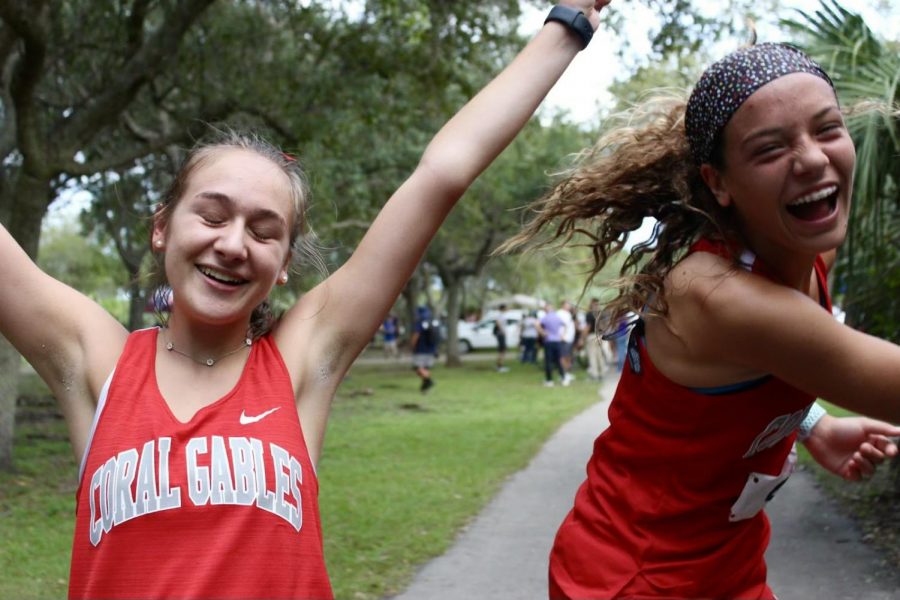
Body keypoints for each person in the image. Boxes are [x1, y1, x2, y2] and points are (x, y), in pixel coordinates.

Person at [0, 3, 612, 597]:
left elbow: (441, 174)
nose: (233, 245)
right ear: (163, 227)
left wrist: (571, 17)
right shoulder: (98, 363)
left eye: (264, 231)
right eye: (211, 215)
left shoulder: (299, 360)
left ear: (285, 265)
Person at [500, 42, 900, 599]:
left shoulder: (801, 249)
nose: (812, 159)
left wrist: (814, 426)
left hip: (728, 565)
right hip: (631, 578)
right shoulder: (714, 295)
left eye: (827, 129)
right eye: (769, 149)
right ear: (719, 182)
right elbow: (800, 346)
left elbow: (752, 372)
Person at [538, 301, 568, 387]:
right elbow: (565, 325)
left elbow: (536, 324)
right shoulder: (557, 317)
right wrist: (563, 335)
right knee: (559, 360)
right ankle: (563, 378)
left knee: (548, 361)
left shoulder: (545, 317)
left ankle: (549, 380)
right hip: (557, 341)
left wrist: (542, 332)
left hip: (549, 341)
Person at [410, 305, 440, 393]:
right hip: (432, 349)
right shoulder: (433, 321)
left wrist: (412, 345)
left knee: (417, 368)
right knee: (426, 368)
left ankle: (429, 381)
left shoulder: (420, 322)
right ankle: (425, 386)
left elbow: (416, 335)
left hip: (421, 349)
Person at [557, 300, 576, 384]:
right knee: (563, 357)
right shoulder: (559, 313)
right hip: (564, 339)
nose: (569, 306)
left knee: (568, 357)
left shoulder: (568, 314)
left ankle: (567, 373)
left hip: (569, 339)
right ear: (563, 305)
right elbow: (558, 326)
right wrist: (561, 336)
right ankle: (563, 375)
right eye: (568, 304)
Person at [494, 304, 511, 372]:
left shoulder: (502, 315)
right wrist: (503, 331)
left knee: (502, 350)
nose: (507, 309)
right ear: (503, 308)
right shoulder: (500, 315)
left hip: (501, 334)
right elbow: (498, 323)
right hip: (501, 334)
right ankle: (499, 367)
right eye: (506, 307)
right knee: (502, 350)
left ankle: (500, 365)